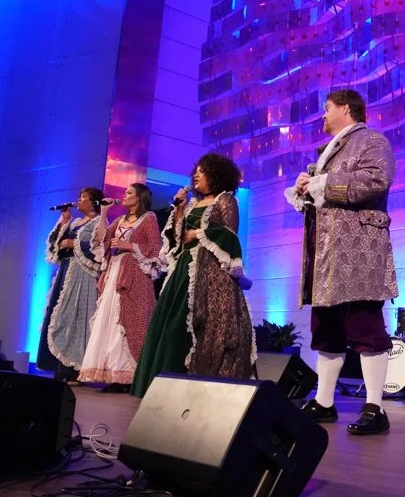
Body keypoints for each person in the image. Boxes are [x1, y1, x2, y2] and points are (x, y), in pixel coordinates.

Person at [285, 89, 398, 435]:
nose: (322, 116)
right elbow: (324, 197)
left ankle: (375, 407)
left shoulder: (371, 140)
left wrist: (322, 182)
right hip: (327, 255)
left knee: (364, 326)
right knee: (327, 329)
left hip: (358, 249)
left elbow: (376, 180)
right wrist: (307, 188)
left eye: (327, 109)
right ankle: (324, 402)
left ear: (346, 110)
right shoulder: (329, 151)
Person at [131, 154, 254, 397]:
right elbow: (177, 239)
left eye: (202, 171)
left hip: (210, 272)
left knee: (204, 327)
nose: (196, 175)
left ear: (216, 174)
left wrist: (199, 234)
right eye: (195, 171)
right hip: (184, 271)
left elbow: (229, 235)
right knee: (171, 326)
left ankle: (197, 385)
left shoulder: (225, 200)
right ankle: (163, 386)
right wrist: (178, 208)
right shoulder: (190, 204)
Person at [79, 183, 159, 392]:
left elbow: (155, 248)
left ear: (139, 197)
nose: (124, 195)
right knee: (112, 322)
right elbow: (101, 241)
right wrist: (104, 212)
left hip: (135, 275)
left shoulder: (148, 219)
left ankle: (131, 376)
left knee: (130, 322)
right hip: (115, 272)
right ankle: (115, 375)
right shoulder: (120, 220)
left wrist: (129, 246)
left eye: (129, 192)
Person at [37, 187, 104, 382]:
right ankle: (58, 366)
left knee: (76, 316)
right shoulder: (75, 222)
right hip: (66, 271)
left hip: (82, 274)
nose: (78, 200)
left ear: (93, 203)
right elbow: (54, 245)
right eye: (80, 197)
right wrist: (65, 220)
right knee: (58, 315)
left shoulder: (98, 223)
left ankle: (74, 369)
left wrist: (73, 244)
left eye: (83, 197)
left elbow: (97, 247)